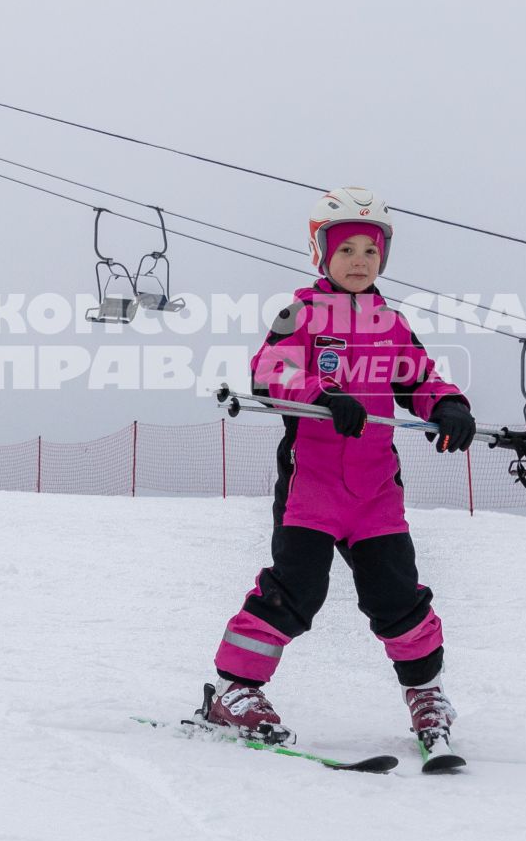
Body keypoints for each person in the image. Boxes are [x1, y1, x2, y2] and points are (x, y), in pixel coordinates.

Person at [199, 185, 476, 764]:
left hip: (376, 488)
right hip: (314, 483)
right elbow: (269, 371)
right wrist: (324, 393)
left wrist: (447, 405)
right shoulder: (298, 313)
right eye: (345, 249)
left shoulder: (390, 322)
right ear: (320, 253)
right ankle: (236, 690)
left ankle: (426, 694)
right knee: (296, 590)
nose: (358, 261)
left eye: (370, 252)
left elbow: (418, 378)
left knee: (397, 596)